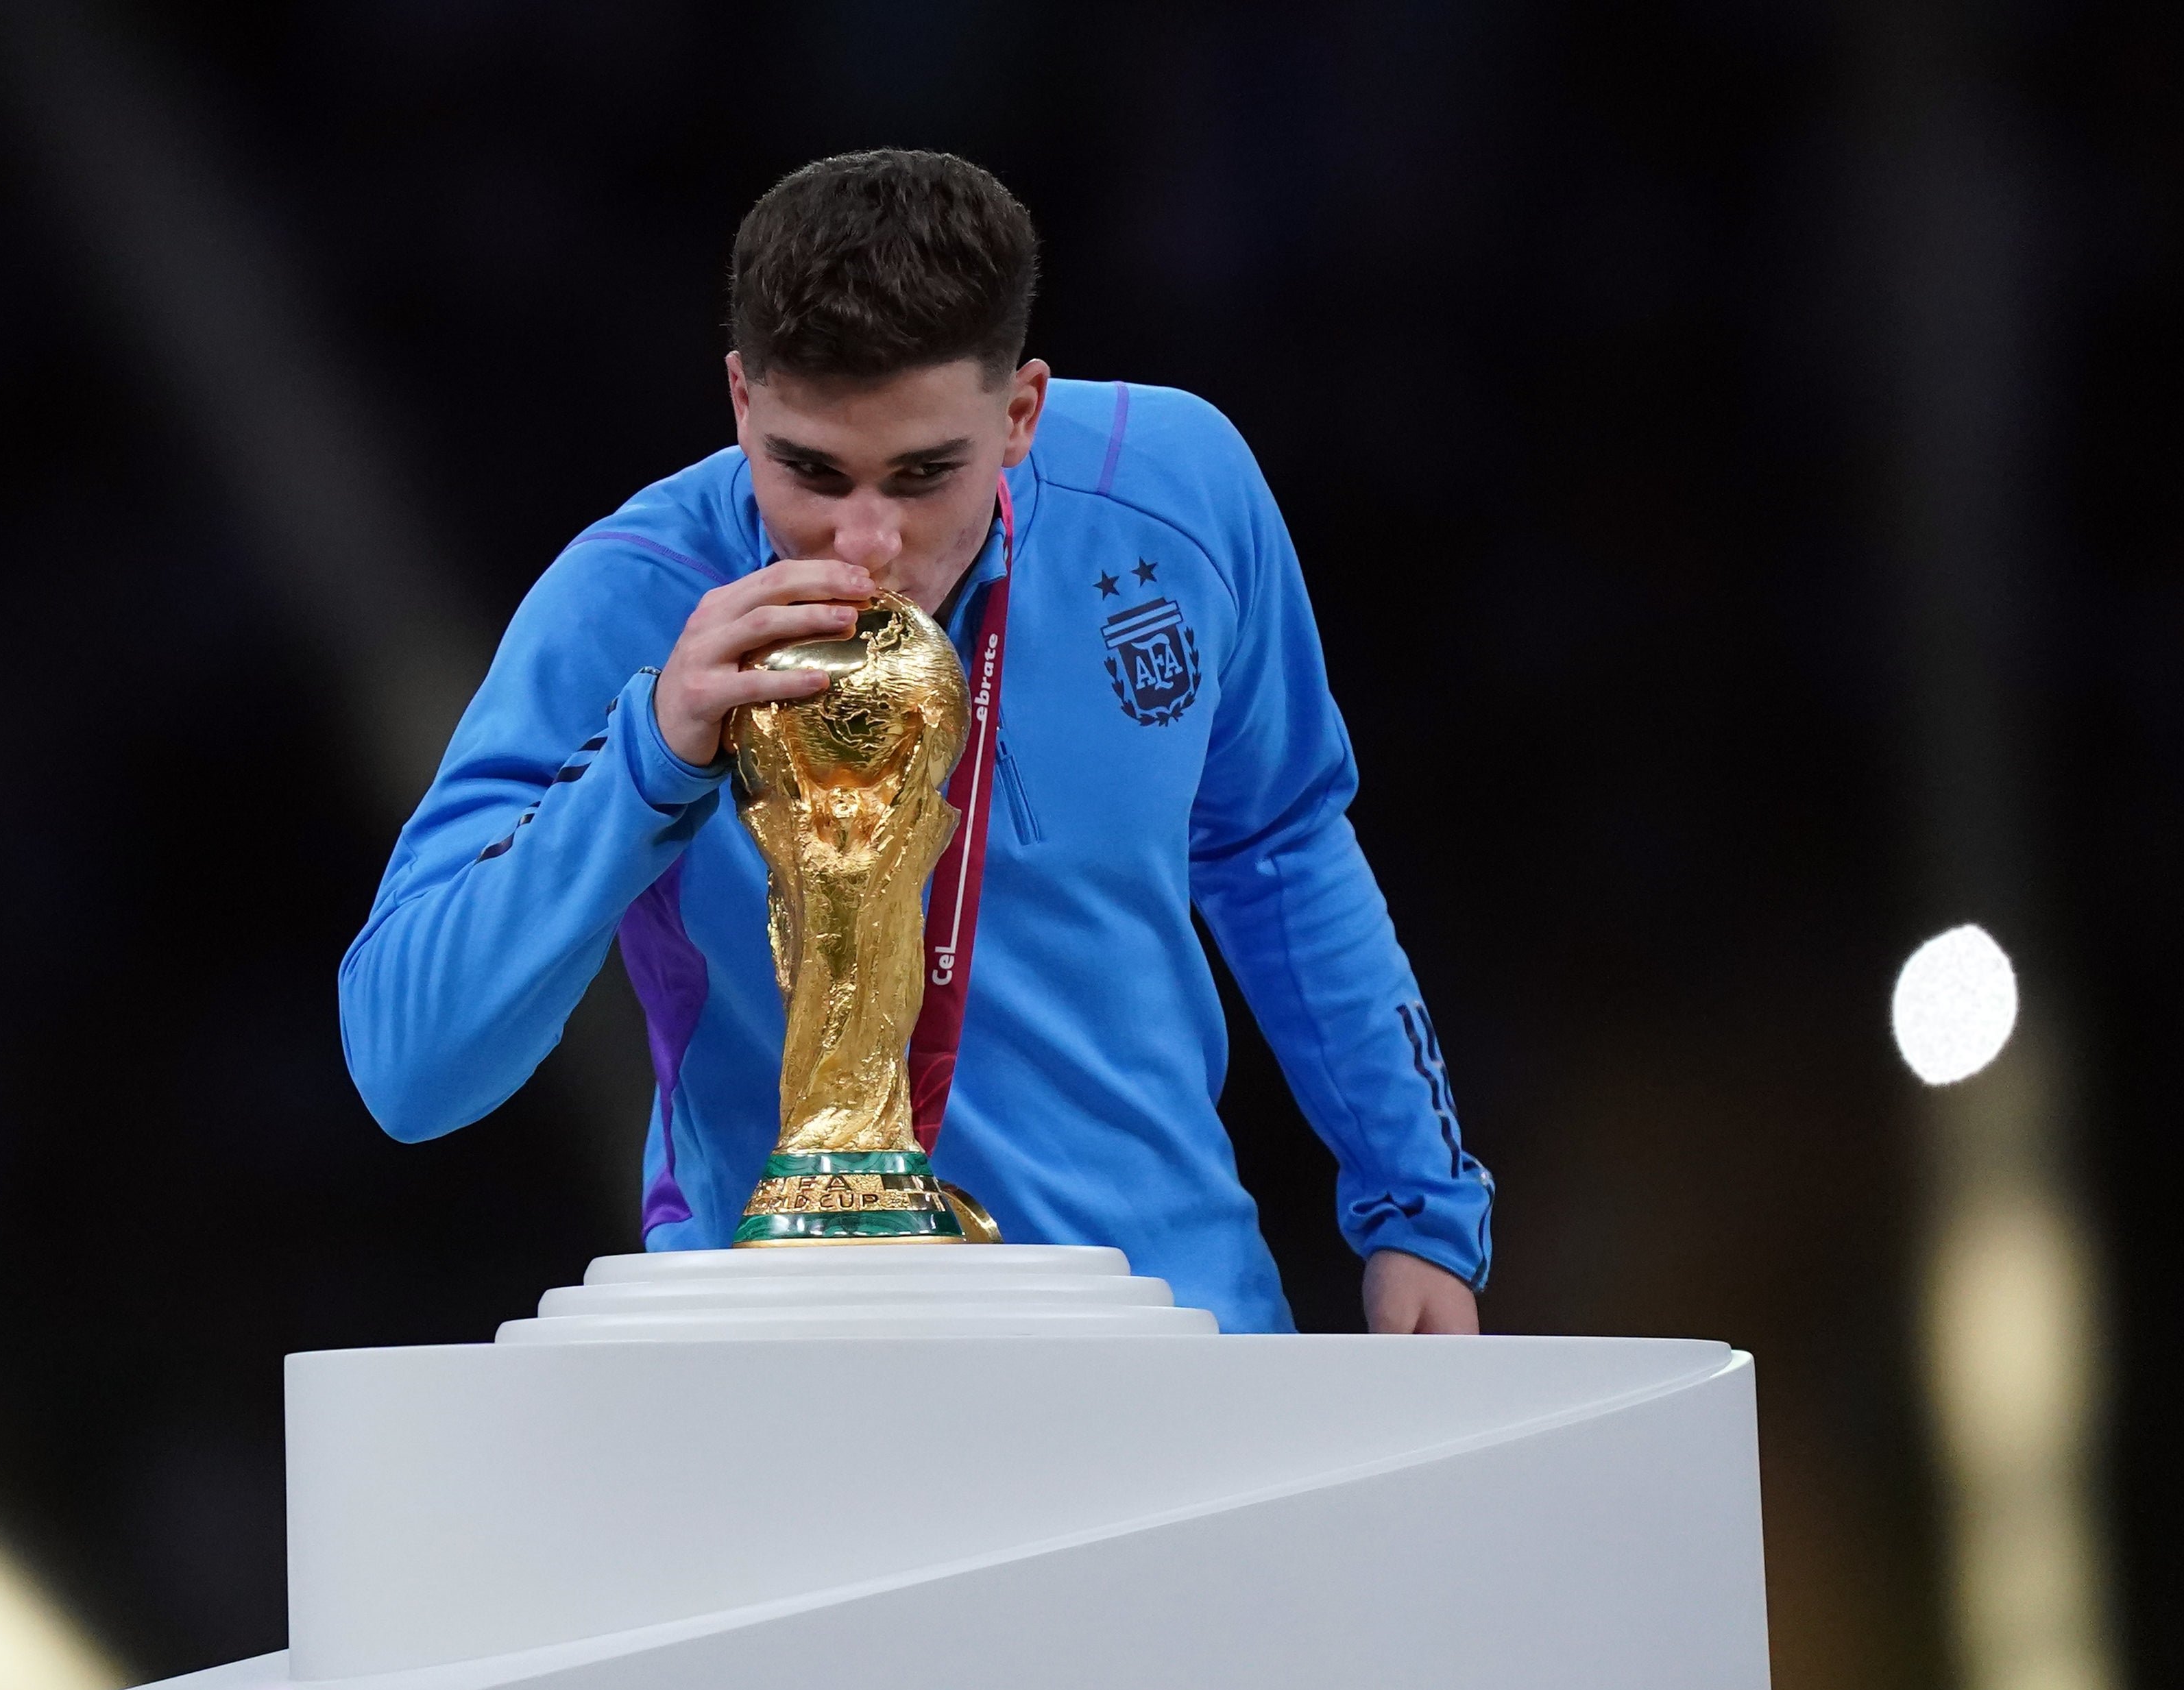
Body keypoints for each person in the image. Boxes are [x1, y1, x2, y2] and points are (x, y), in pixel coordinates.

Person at [339, 149, 1489, 1334]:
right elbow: (407, 1067)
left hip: (1175, 1334)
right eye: (811, 471)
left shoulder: (1173, 492)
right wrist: (654, 750)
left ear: (1022, 413)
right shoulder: (627, 604)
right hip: (797, 1374)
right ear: (742, 401)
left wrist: (1420, 1207)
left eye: (926, 474)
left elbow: (1280, 846)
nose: (867, 540)